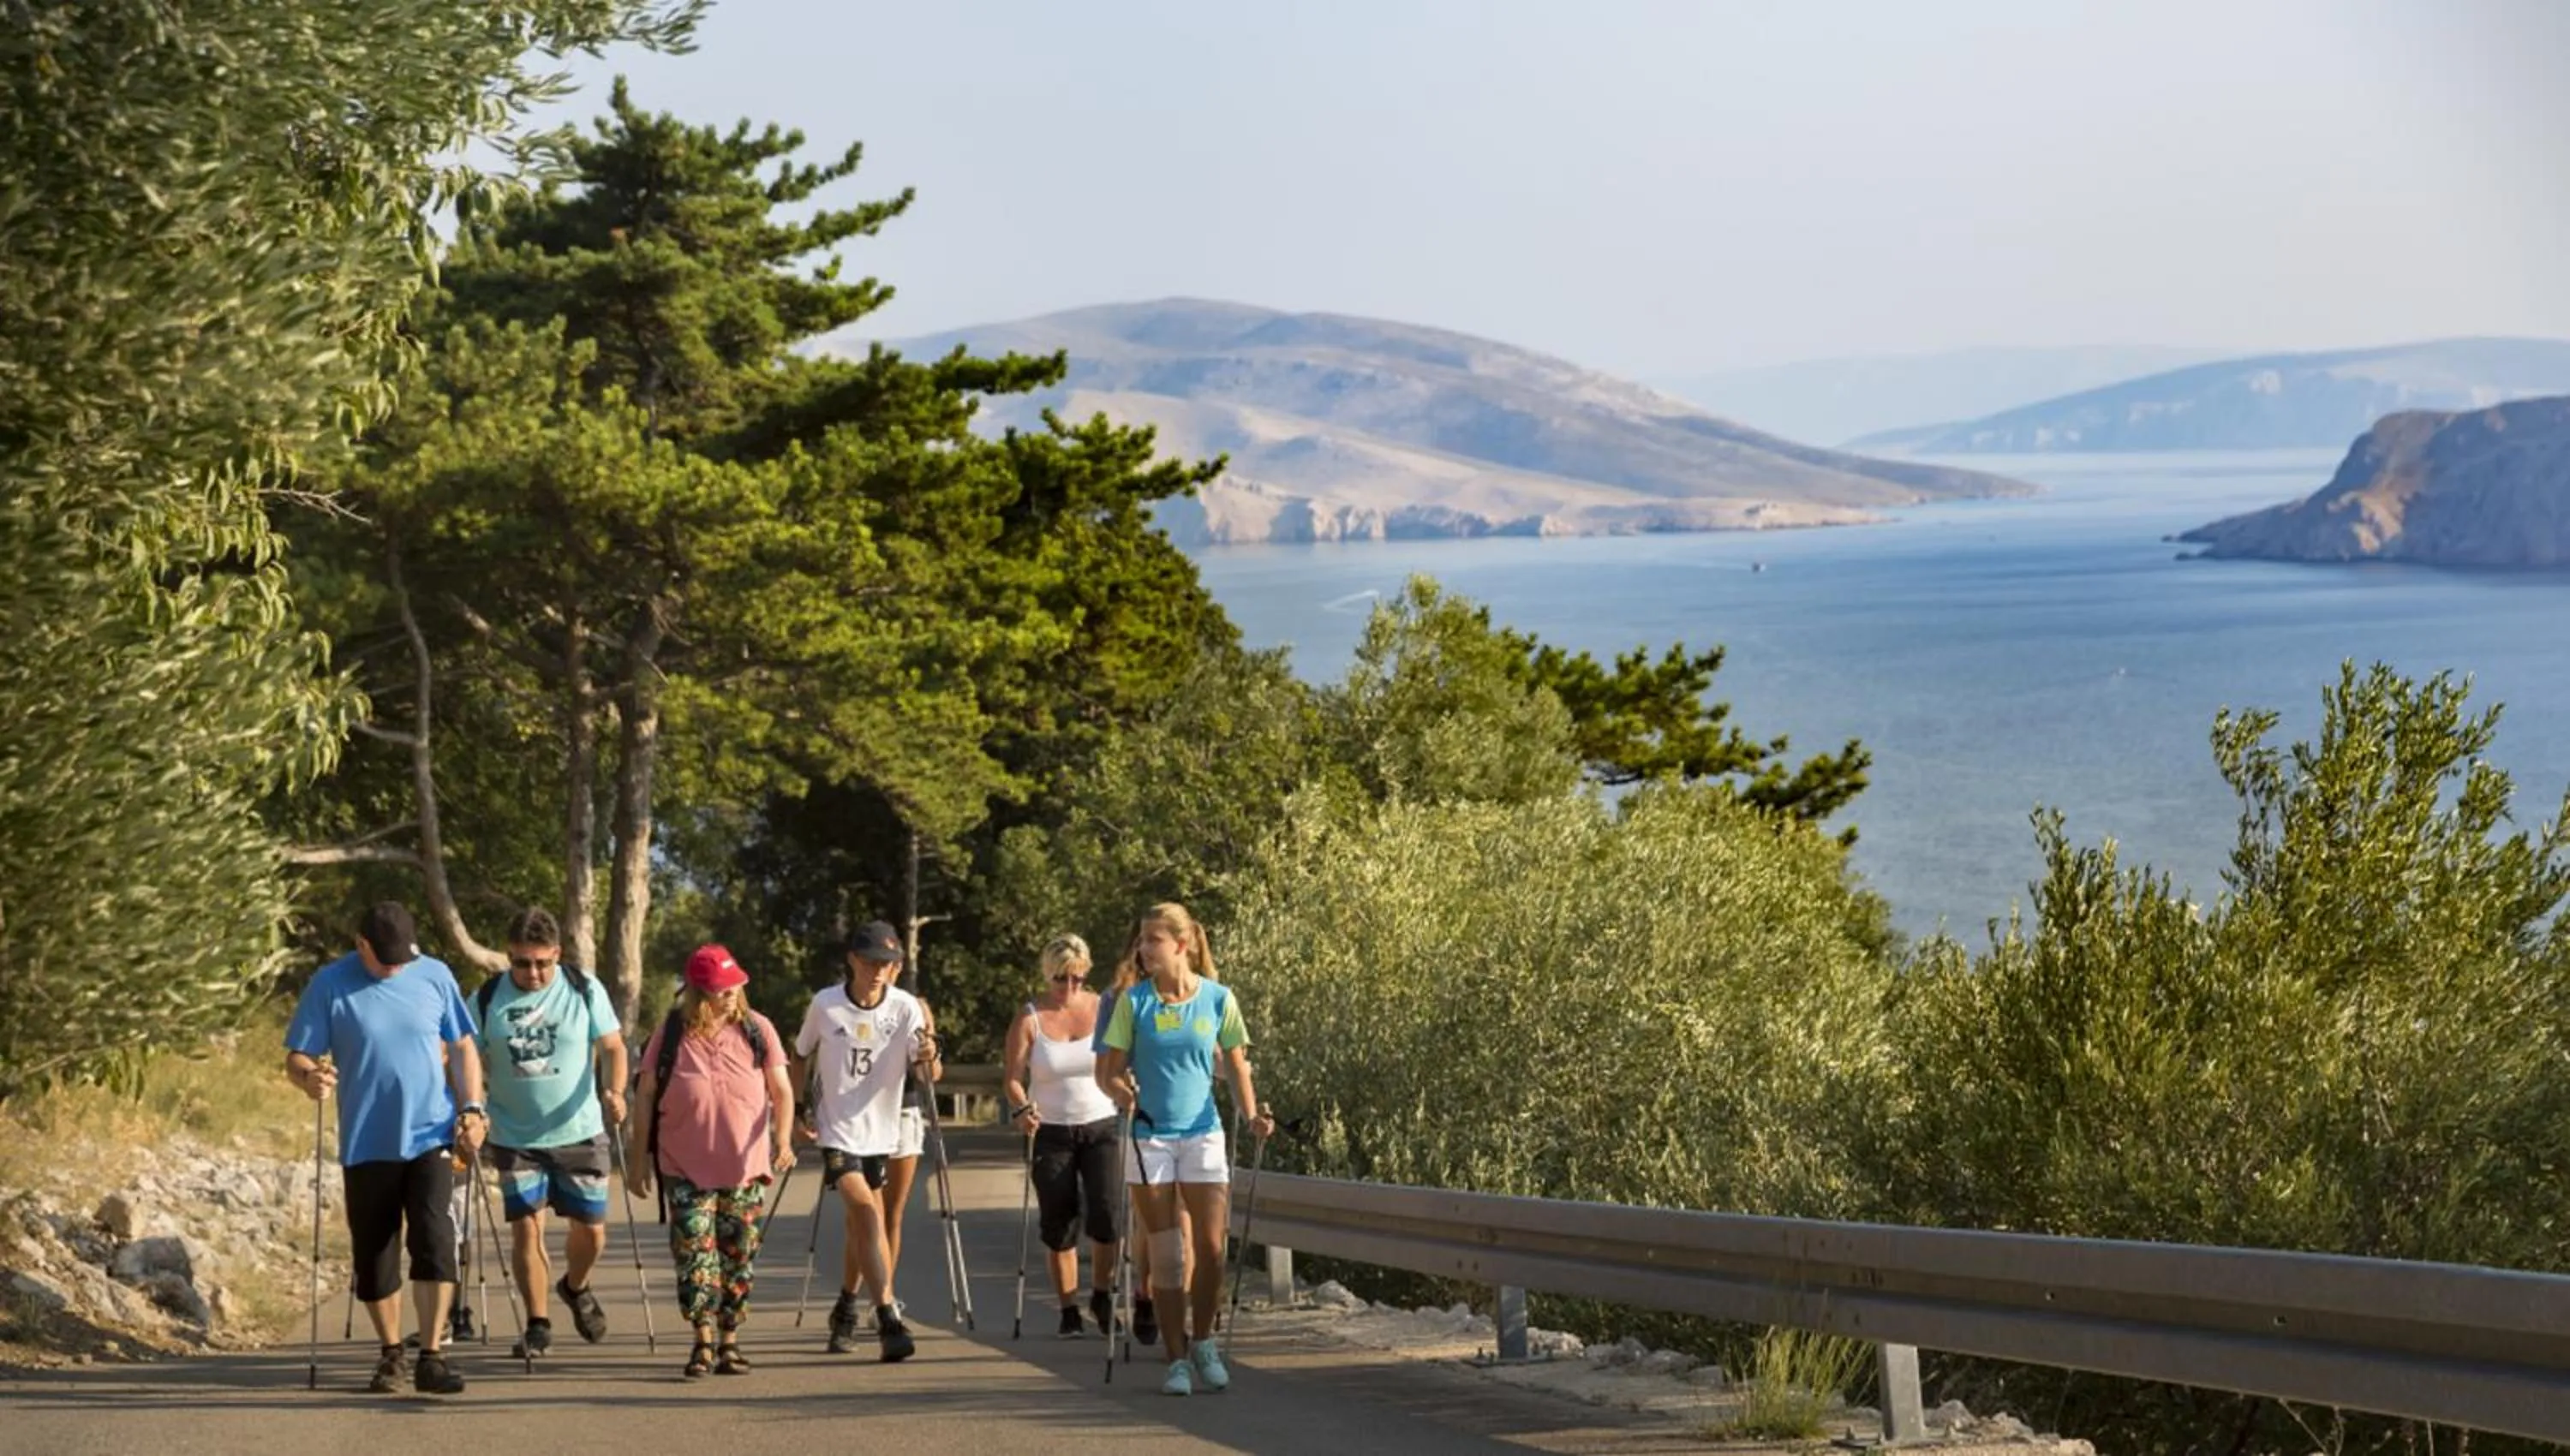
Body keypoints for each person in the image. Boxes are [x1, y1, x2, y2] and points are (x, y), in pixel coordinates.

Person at [284, 901, 487, 1396]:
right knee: (375, 1257)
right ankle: (392, 1353)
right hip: (367, 1140)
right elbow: (298, 1055)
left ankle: (432, 1356)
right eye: (385, 959)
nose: (396, 967)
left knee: (436, 1241)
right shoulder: (330, 984)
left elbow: (461, 1045)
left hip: (431, 1134)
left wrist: (474, 1108)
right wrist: (310, 1078)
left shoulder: (434, 975)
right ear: (361, 945)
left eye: (403, 957)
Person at [1096, 902, 1274, 1397]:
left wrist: (1252, 1114)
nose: (1143, 949)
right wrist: (1118, 1089)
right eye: (1142, 939)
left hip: (1203, 1133)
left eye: (1153, 939)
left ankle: (1203, 1342)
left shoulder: (1218, 999)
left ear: (1182, 944)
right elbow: (1104, 1072)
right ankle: (1175, 1360)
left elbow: (1237, 1066)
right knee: (1169, 1254)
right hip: (1150, 1135)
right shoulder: (1134, 1003)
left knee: (1213, 1249)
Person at [465, 908, 628, 1359]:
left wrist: (615, 1091)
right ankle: (537, 1323)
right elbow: (467, 1055)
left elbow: (612, 1045)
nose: (532, 973)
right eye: (521, 962)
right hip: (516, 1136)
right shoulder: (486, 998)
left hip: (580, 1129)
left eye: (542, 962)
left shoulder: (583, 987)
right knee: (525, 1231)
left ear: (558, 954)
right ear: (507, 956)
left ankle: (576, 1287)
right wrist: (472, 1109)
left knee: (591, 1232)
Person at [625, 945, 793, 1378]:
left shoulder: (758, 1029)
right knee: (695, 1257)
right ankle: (702, 1341)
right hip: (683, 1165)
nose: (731, 995)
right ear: (699, 993)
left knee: (738, 1256)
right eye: (721, 990)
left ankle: (730, 1342)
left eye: (735, 986)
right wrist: (638, 1158)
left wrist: (784, 1140)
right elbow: (644, 1095)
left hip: (744, 1166)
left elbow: (782, 1091)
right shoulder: (672, 1033)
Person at [788, 921, 926, 1362]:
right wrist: (794, 1109)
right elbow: (799, 1053)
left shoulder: (905, 1007)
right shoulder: (826, 1005)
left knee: (863, 1227)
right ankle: (888, 1317)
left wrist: (930, 1056)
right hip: (837, 1132)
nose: (876, 971)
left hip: (882, 1134)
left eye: (886, 964)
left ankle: (846, 1307)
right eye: (869, 962)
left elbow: (925, 1067)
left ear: (897, 967)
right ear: (851, 959)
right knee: (867, 1215)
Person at [1003, 934, 1121, 1338]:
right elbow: (1012, 1080)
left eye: (1075, 978)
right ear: (1047, 975)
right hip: (1050, 1130)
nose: (1067, 988)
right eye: (1059, 979)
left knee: (1106, 1214)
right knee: (1060, 1220)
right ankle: (1069, 1307)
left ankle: (1102, 1295)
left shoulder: (1104, 1008)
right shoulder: (1030, 1018)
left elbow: (1122, 1060)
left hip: (1101, 1123)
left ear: (1086, 974)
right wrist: (1022, 1109)